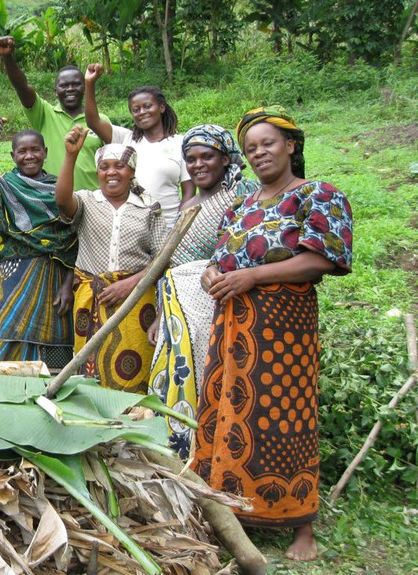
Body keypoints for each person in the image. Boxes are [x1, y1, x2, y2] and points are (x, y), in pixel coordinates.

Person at [195, 107, 353, 562]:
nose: (259, 152)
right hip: (233, 326)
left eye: (267, 143)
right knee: (230, 412)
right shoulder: (241, 206)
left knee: (286, 415)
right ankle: (230, 511)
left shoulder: (317, 195)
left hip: (284, 328)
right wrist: (211, 275)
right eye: (251, 148)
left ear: (291, 145)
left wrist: (253, 277)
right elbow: (218, 256)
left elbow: (323, 259)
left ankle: (300, 523)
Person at [145, 124, 260, 459]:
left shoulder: (242, 195)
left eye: (207, 156)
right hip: (174, 306)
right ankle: (170, 453)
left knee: (207, 379)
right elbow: (168, 264)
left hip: (211, 303)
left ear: (225, 159)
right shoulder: (188, 203)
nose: (198, 165)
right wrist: (158, 316)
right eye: (191, 159)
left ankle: (206, 455)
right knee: (173, 379)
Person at [54, 127, 166, 393]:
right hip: (92, 298)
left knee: (132, 362)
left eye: (120, 166)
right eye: (104, 167)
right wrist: (71, 156)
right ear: (97, 172)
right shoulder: (86, 201)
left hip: (135, 299)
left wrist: (131, 285)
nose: (111, 172)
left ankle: (130, 423)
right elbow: (62, 200)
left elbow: (162, 257)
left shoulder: (149, 207)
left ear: (132, 172)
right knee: (87, 366)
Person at [0, 115, 77, 370]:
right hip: (9, 278)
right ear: (13, 155)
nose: (29, 156)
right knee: (6, 337)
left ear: (45, 152)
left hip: (51, 278)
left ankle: (52, 391)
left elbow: (72, 240)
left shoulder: (59, 190)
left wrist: (68, 283)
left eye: (35, 150)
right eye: (22, 151)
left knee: (52, 340)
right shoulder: (4, 185)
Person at [82, 64, 193, 228]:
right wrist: (89, 84)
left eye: (148, 106)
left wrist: (179, 227)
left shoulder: (181, 143)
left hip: (168, 225)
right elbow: (93, 122)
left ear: (161, 107)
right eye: (136, 109)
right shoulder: (126, 139)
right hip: (133, 226)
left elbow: (189, 192)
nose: (142, 112)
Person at [0, 35, 107, 190]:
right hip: (53, 200)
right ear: (56, 91)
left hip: (92, 202)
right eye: (64, 85)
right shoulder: (45, 114)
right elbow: (22, 87)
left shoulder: (100, 121)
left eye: (76, 84)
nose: (70, 89)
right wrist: (8, 58)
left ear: (85, 87)